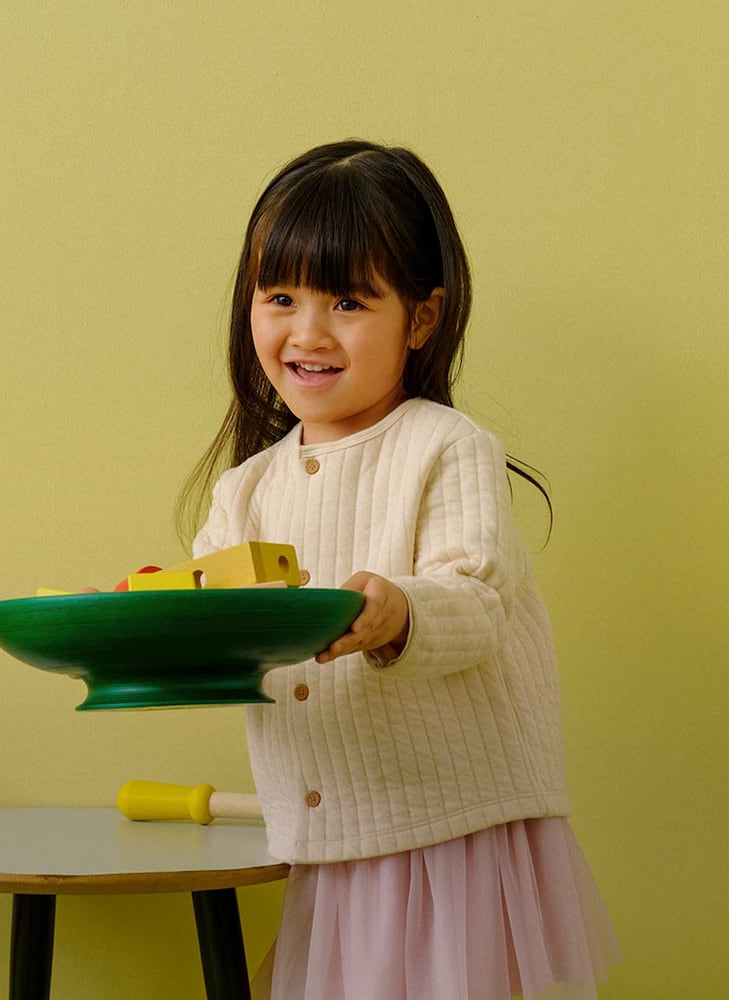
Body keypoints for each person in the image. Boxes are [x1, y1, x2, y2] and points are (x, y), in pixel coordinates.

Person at [178, 139, 620, 999]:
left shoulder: (446, 448)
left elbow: (475, 597)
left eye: (347, 300)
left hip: (449, 837)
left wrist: (398, 614)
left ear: (420, 319)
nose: (307, 332)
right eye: (280, 298)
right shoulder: (247, 488)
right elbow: (215, 624)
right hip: (331, 839)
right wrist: (159, 625)